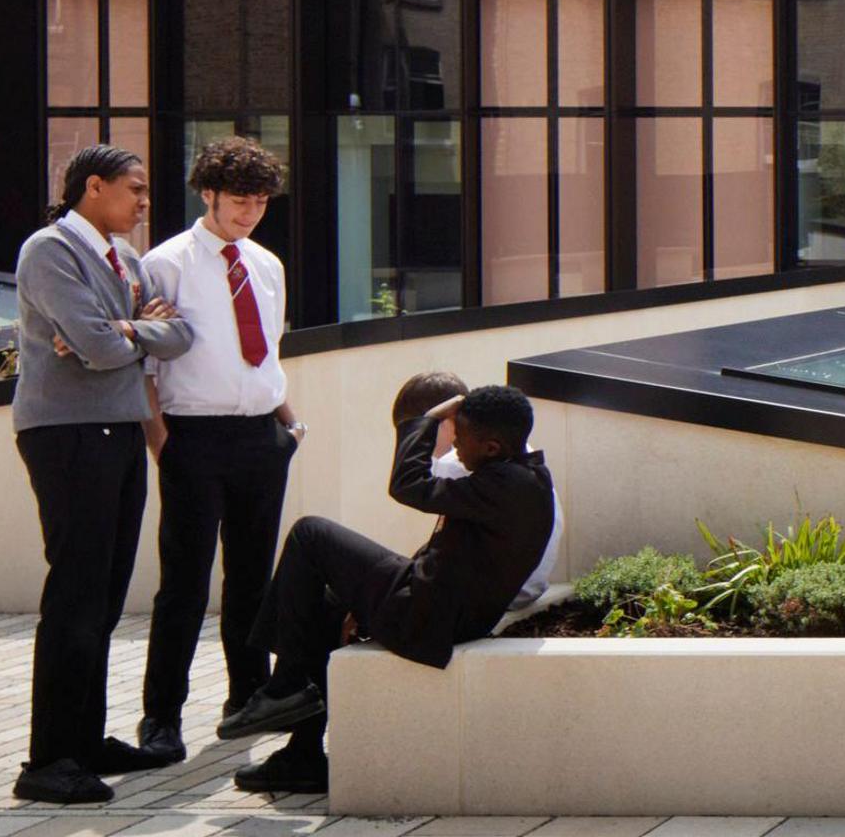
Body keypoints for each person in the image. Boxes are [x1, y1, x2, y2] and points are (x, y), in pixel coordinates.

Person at [218, 383, 558, 796]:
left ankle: (287, 686)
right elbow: (455, 556)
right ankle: (303, 753)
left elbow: (407, 485)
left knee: (309, 534)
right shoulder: (524, 478)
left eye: (460, 437)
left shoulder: (506, 486)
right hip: (439, 608)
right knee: (324, 606)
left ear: (490, 446)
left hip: (427, 616)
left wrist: (428, 421)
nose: (454, 448)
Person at [10, 143, 196, 805]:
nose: (145, 202)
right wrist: (125, 332)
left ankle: (84, 741)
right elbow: (94, 346)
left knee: (107, 594)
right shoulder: (50, 251)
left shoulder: (126, 260)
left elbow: (180, 335)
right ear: (93, 187)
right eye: (134, 190)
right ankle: (47, 759)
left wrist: (124, 330)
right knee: (77, 592)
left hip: (117, 430)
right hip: (68, 434)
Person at [138, 135, 302, 764]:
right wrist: (163, 445)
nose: (251, 212)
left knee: (253, 579)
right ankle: (161, 718)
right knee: (183, 582)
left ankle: (248, 697)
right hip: (192, 436)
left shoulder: (266, 264)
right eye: (239, 199)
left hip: (262, 434)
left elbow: (267, 352)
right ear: (207, 193)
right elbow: (147, 366)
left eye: (261, 201)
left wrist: (290, 427)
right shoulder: (166, 263)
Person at [398, 371, 569, 613]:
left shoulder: (459, 463)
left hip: (497, 596)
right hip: (529, 587)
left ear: (448, 422)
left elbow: (409, 487)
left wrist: (428, 420)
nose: (424, 448)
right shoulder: (520, 458)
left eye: (425, 434)